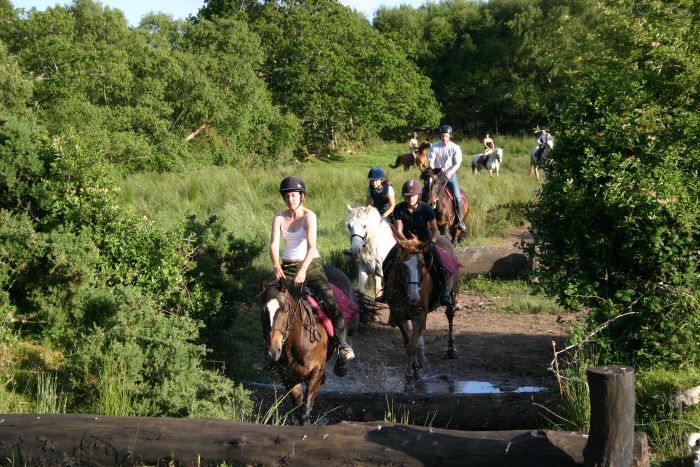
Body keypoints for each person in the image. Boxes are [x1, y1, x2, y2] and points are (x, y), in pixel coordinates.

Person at [270, 176, 354, 361]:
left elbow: (311, 245)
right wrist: (276, 265)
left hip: (310, 265)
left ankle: (342, 344)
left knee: (330, 301)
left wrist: (303, 271)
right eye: (287, 196)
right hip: (287, 267)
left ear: (302, 196)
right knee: (271, 303)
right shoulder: (278, 218)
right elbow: (274, 245)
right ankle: (269, 349)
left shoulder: (310, 216)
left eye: (293, 195)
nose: (290, 199)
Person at [379, 179, 452, 306]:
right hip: (406, 242)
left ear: (418, 196)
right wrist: (407, 243)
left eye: (412, 196)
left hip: (424, 242)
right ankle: (386, 292)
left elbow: (434, 229)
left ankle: (444, 291)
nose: (410, 198)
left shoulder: (427, 209)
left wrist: (432, 242)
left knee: (439, 263)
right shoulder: (398, 209)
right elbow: (398, 231)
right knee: (386, 263)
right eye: (407, 196)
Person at [427, 124, 466, 231]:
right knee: (424, 192)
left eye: (446, 136)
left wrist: (451, 172)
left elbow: (457, 164)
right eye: (443, 136)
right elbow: (431, 161)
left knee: (457, 197)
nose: (444, 138)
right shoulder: (434, 146)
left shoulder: (455, 148)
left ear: (450, 136)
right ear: (440, 136)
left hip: (450, 175)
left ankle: (459, 221)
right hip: (437, 175)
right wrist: (433, 172)